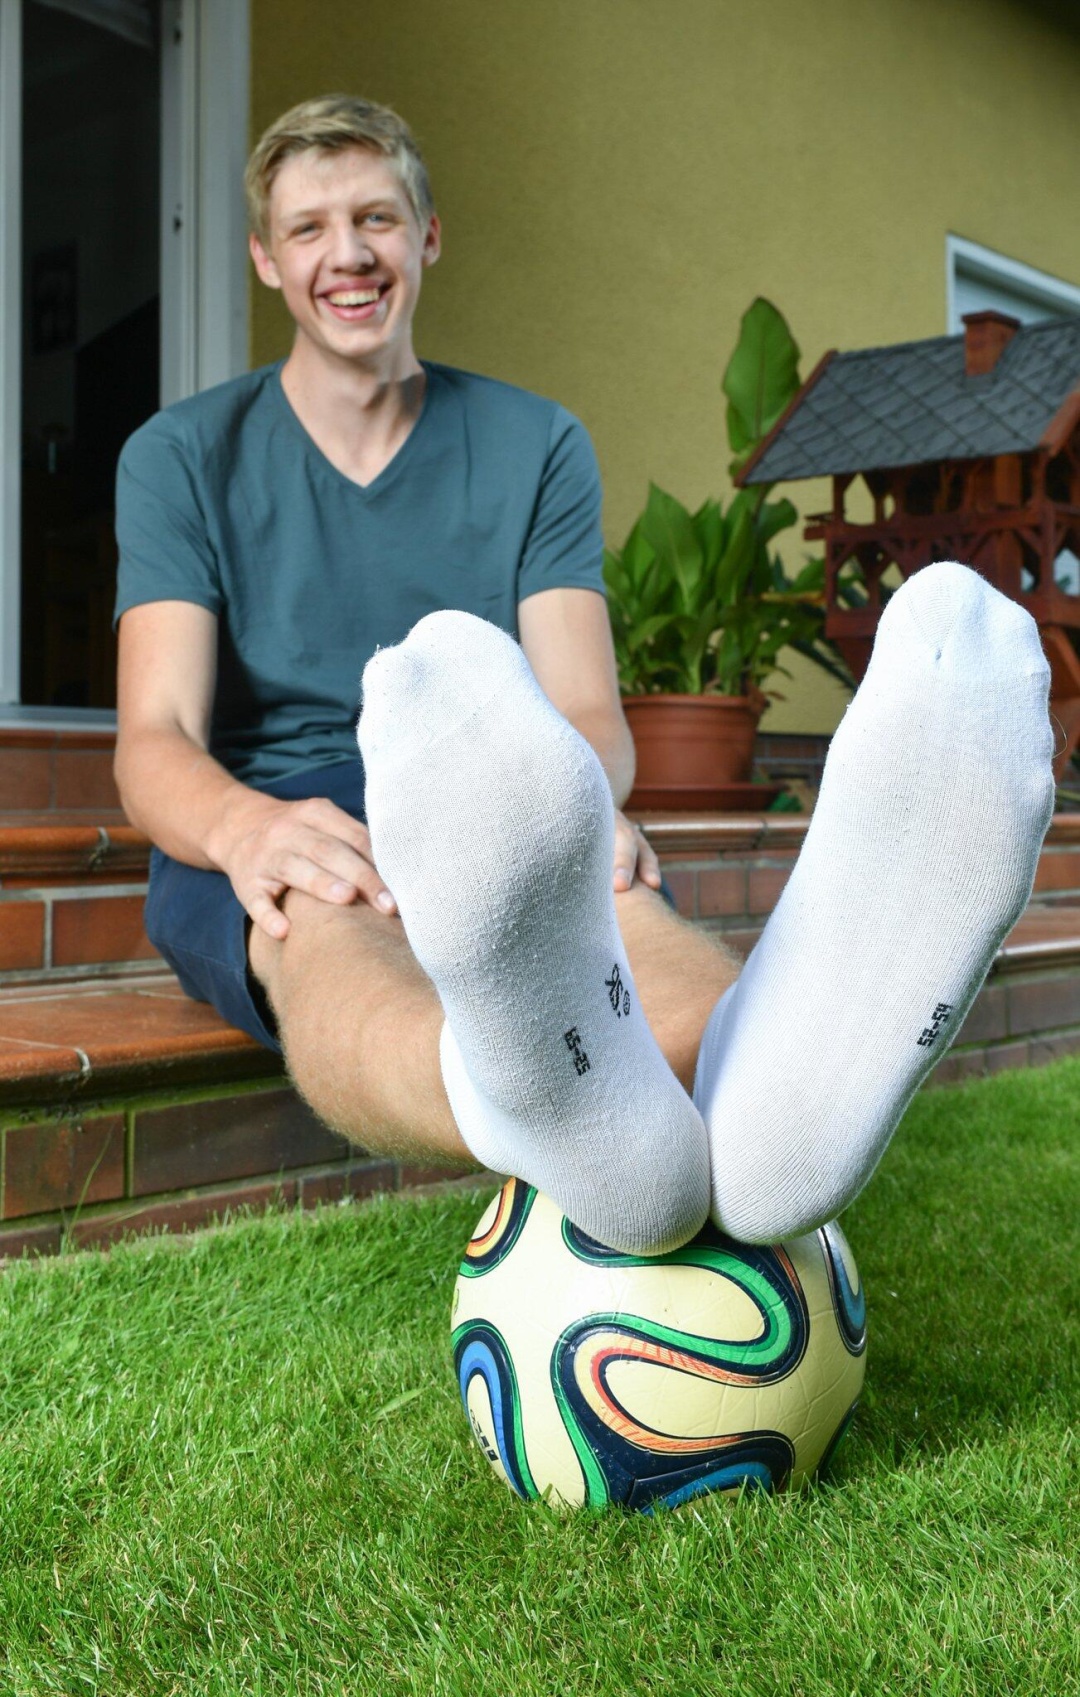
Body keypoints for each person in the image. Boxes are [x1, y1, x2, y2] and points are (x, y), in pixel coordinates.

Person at [115, 95, 1055, 1258]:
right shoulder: (179, 456)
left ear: (428, 235)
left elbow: (586, 711)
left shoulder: (535, 441)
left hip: (496, 776)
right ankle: (528, 1104)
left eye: (376, 218)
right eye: (308, 228)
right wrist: (248, 830)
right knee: (324, 921)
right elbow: (153, 735)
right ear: (266, 258)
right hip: (283, 799)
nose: (347, 253)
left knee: (605, 894)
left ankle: (769, 1106)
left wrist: (580, 797)